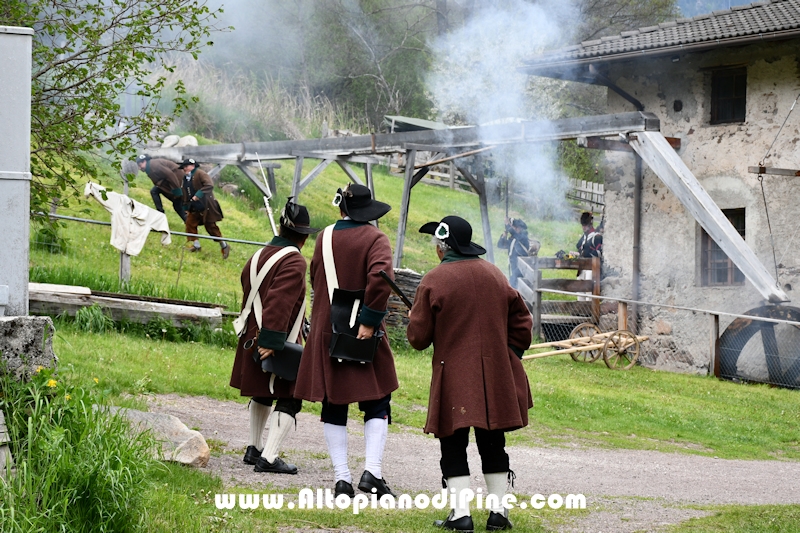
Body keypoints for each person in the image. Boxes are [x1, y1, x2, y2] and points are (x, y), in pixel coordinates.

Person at [406, 215, 533, 532]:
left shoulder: (434, 280)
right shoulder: (495, 274)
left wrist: (416, 316)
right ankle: (498, 514)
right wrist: (508, 356)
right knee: (493, 444)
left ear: (442, 248)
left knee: (453, 446)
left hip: (455, 378)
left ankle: (461, 515)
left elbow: (417, 339)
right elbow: (522, 323)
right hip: (495, 376)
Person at [294, 183, 398, 499]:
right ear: (366, 211)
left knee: (333, 402)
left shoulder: (323, 237)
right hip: (362, 330)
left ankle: (342, 479)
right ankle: (373, 473)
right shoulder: (376, 239)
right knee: (377, 401)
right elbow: (381, 282)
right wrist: (368, 321)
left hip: (329, 329)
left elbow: (315, 278)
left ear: (342, 209)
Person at [230, 199, 319, 474]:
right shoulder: (293, 260)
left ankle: (253, 448)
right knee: (291, 396)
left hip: (252, 333)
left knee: (262, 390)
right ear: (304, 237)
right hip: (275, 337)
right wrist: (270, 341)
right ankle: (268, 457)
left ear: (281, 228)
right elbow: (279, 302)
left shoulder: (258, 255)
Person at [178, 158, 230, 259]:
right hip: (194, 207)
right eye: (183, 167)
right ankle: (196, 246)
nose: (184, 169)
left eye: (186, 166)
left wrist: (198, 195)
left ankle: (224, 245)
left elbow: (209, 184)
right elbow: (185, 192)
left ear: (192, 165)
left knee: (211, 227)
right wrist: (185, 206)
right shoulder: (185, 178)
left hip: (207, 206)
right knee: (190, 223)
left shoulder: (200, 173)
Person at [136, 154, 187, 222]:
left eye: (140, 165)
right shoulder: (150, 167)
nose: (139, 168)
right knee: (154, 191)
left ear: (144, 161)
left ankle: (190, 225)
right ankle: (160, 215)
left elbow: (170, 175)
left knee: (177, 206)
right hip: (172, 184)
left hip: (178, 183)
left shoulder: (154, 165)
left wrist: (177, 191)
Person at [497, 217, 530, 289]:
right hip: (513, 265)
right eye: (514, 227)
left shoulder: (523, 238)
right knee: (513, 283)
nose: (515, 229)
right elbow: (500, 245)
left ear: (520, 228)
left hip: (521, 266)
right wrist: (503, 237)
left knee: (515, 284)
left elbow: (514, 234)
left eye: (516, 227)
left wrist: (507, 225)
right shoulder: (513, 239)